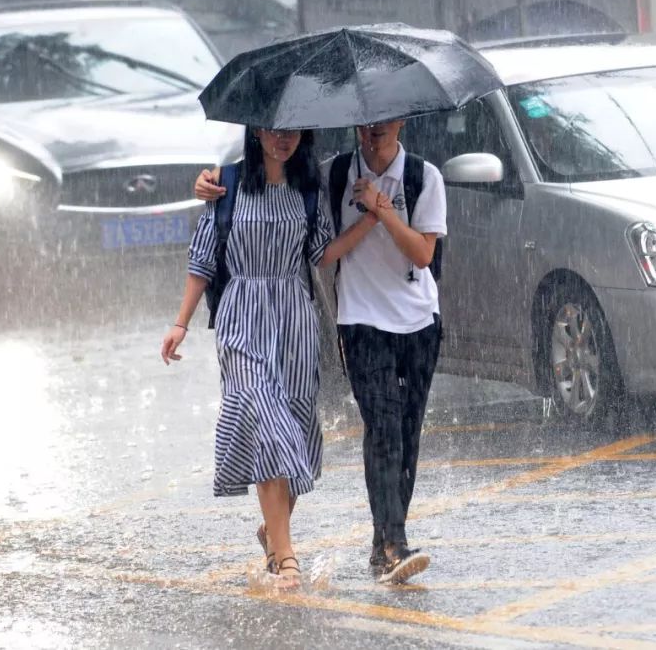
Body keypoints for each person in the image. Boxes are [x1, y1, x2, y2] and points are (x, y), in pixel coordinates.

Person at [194, 121, 447, 585]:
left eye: (384, 124)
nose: (374, 132)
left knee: (406, 435)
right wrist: (212, 179)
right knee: (382, 426)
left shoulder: (422, 176)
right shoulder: (331, 176)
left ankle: (375, 541)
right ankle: (390, 546)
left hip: (416, 322)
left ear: (402, 123)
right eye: (367, 125)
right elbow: (317, 250)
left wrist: (381, 212)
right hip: (358, 321)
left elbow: (423, 255)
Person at [161, 127, 379, 588]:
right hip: (241, 313)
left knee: (296, 427)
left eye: (292, 132)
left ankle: (271, 534)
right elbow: (202, 259)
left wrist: (372, 220)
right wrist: (180, 322)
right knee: (265, 419)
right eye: (273, 131)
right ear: (256, 131)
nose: (283, 140)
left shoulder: (307, 189)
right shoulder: (228, 183)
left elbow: (321, 254)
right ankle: (287, 558)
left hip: (295, 318)